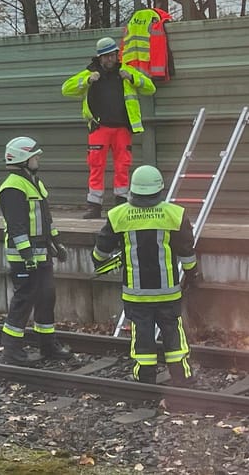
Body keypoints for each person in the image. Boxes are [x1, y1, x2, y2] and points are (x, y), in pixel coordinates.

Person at [94, 165, 197, 386]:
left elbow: (102, 249)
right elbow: (187, 251)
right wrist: (192, 275)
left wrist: (99, 261)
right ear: (160, 189)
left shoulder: (118, 215)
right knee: (173, 333)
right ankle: (181, 376)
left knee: (141, 335)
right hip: (168, 293)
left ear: (133, 190)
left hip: (136, 295)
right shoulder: (174, 214)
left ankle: (145, 377)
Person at [61, 36, 157, 219]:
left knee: (123, 166)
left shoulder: (126, 71)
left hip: (122, 128)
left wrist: (133, 78)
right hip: (99, 127)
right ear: (99, 57)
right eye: (105, 56)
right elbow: (66, 89)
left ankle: (121, 203)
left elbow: (150, 88)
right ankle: (94, 206)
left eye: (112, 55)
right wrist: (87, 81)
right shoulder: (89, 72)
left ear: (117, 54)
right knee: (96, 166)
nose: (109, 59)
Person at [0, 137, 72, 365]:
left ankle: (48, 346)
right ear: (23, 158)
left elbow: (46, 219)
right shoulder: (12, 187)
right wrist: (27, 256)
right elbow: (17, 226)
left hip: (42, 254)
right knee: (24, 301)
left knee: (46, 298)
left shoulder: (33, 182)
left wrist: (58, 244)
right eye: (35, 156)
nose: (38, 159)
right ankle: (11, 351)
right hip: (24, 258)